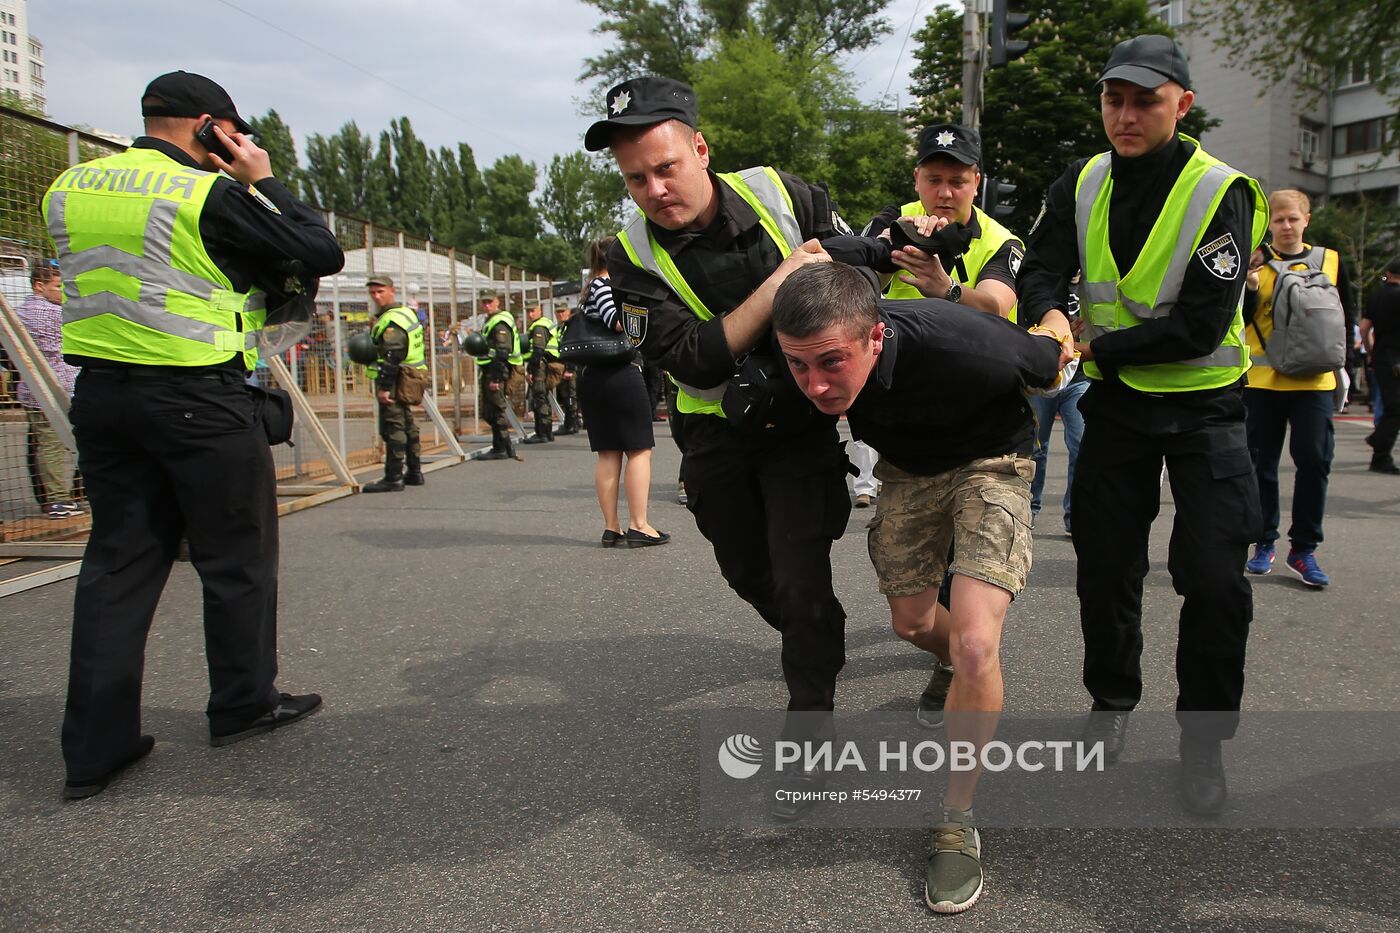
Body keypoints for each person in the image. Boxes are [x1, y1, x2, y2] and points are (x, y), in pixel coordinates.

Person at [585, 77, 887, 810]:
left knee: (799, 572)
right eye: (636, 179)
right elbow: (691, 359)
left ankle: (810, 721)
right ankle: (812, 633)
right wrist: (786, 277)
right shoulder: (623, 256)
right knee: (747, 569)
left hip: (799, 429)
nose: (655, 189)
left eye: (666, 167)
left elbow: (856, 269)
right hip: (714, 432)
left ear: (699, 148)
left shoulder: (781, 193)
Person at [43, 71, 343, 799]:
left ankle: (94, 748)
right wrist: (262, 178)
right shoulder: (204, 194)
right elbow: (318, 251)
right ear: (209, 126)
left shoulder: (69, 185)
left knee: (116, 564)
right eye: (229, 134)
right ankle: (242, 703)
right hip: (197, 397)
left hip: (105, 396)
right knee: (236, 557)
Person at [1016, 35, 1269, 817]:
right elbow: (1041, 267)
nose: (1124, 116)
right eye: (1114, 99)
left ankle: (1202, 744)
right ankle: (1111, 703)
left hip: (1205, 406)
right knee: (1105, 565)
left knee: (1217, 580)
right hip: (1118, 407)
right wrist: (1050, 314)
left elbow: (1199, 324)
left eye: (1145, 101)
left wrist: (1094, 345)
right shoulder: (1082, 178)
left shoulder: (1218, 189)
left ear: (1181, 105)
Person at [772, 262, 1071, 914]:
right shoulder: (795, 367)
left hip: (992, 458)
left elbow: (1048, 359)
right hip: (909, 472)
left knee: (972, 641)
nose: (816, 384)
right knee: (913, 622)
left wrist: (1055, 323)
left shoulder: (961, 340)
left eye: (831, 362)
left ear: (875, 337)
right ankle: (961, 667)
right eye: (798, 365)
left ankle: (956, 819)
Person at [1240, 189, 1355, 585]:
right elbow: (1237, 319)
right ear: (1268, 224)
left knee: (1314, 461)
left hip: (1315, 381)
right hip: (1263, 382)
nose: (1286, 226)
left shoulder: (1331, 261)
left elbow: (1347, 314)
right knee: (1261, 467)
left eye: (1293, 218)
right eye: (1278, 220)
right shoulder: (1254, 262)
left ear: (1307, 219)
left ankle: (1304, 549)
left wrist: (1347, 369)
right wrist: (1250, 288)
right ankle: (1264, 541)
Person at [865, 123, 1022, 319]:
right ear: (917, 179)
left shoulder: (1001, 242)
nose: (945, 193)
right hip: (901, 346)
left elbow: (997, 309)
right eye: (934, 180)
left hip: (974, 348)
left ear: (976, 183)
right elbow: (851, 289)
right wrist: (884, 257)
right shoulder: (893, 219)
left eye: (957, 182)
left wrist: (947, 289)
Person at [576, 237, 669, 548]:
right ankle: (639, 524)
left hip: (593, 377)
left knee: (608, 453)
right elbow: (617, 323)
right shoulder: (606, 285)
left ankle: (611, 526)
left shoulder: (590, 286)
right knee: (639, 449)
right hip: (619, 374)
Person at [16, 263, 83, 518]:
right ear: (39, 285)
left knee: (44, 443)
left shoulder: (22, 311)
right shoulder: (51, 313)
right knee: (54, 445)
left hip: (34, 387)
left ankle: (57, 496)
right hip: (55, 387)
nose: (63, 291)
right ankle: (58, 499)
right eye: (58, 286)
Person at [363, 274, 425, 492]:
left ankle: (393, 476)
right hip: (410, 376)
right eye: (373, 293)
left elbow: (393, 354)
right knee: (408, 425)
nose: (376, 296)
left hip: (397, 377)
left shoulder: (392, 319)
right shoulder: (406, 313)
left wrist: (385, 387)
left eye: (380, 292)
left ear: (392, 291)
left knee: (394, 427)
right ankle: (415, 472)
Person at [464, 289, 524, 462]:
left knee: (496, 410)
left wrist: (497, 378)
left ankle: (503, 448)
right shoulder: (492, 320)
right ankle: (501, 446)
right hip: (491, 369)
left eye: (490, 301)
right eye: (484, 302)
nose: (487, 305)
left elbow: (503, 351)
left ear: (498, 301)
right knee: (489, 411)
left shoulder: (500, 322)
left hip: (497, 370)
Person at [1362, 258, 1400, 473]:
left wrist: (1370, 352)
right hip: (1396, 358)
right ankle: (1380, 447)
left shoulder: (1376, 296)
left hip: (1382, 357)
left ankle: (1379, 450)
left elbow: (1365, 327)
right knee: (1395, 408)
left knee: (1390, 404)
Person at [521, 303, 561, 444]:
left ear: (539, 310)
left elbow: (538, 350)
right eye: (528, 311)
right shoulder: (545, 323)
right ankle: (546, 432)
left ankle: (542, 433)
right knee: (541, 397)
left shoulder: (539, 326)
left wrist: (530, 371)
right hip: (544, 364)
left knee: (539, 398)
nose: (530, 314)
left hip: (540, 366)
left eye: (533, 311)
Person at [553, 303, 581, 435]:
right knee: (566, 395)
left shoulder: (571, 326)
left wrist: (570, 368)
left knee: (570, 395)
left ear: (568, 312)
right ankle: (571, 422)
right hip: (563, 365)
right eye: (558, 312)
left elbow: (572, 348)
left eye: (563, 311)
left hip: (571, 366)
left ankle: (571, 424)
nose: (560, 314)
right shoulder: (560, 328)